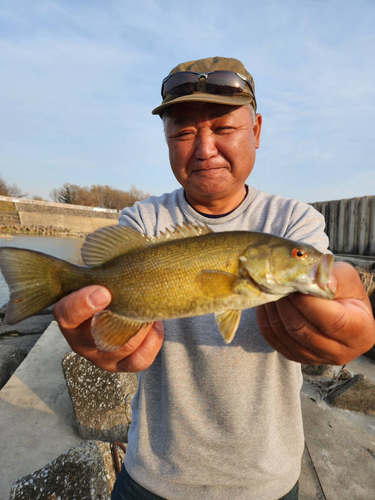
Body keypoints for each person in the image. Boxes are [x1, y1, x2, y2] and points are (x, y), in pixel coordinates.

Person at [53, 57, 375, 500]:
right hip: (151, 478)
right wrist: (98, 335)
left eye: (224, 128)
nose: (204, 149)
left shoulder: (293, 221)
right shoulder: (145, 221)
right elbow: (103, 307)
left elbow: (330, 276)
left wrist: (347, 306)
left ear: (257, 131)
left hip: (268, 483)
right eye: (183, 132)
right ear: (166, 140)